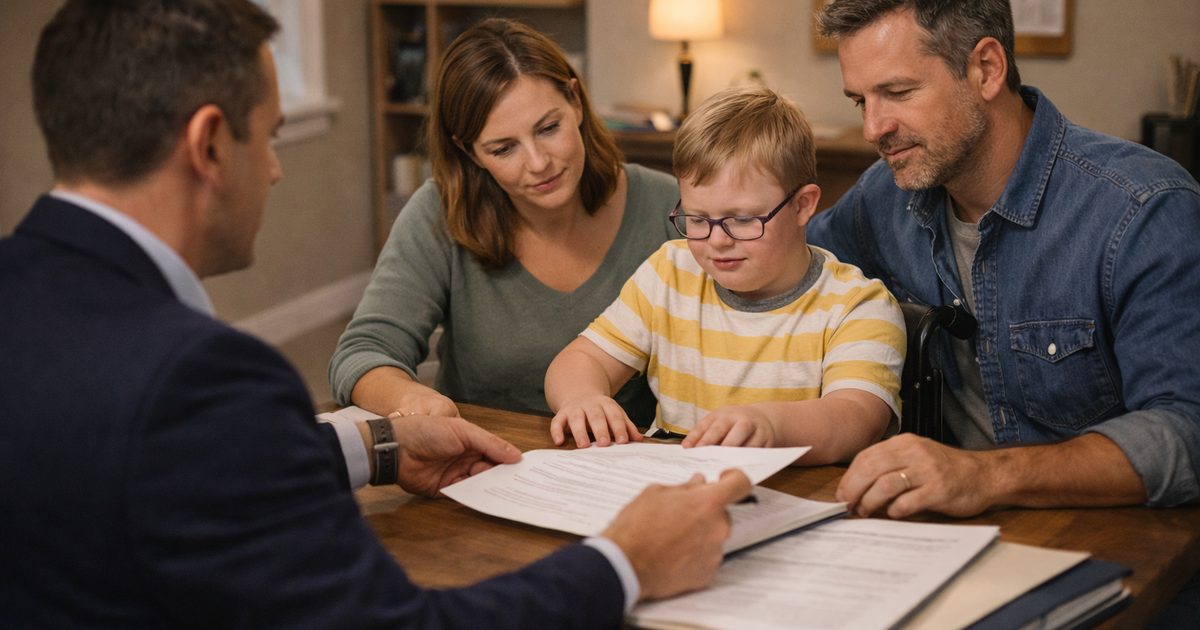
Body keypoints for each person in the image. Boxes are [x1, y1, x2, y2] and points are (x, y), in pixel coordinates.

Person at [0, 2, 753, 627]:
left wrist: (379, 447)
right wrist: (628, 563)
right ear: (207, 145)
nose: (275, 167)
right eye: (267, 136)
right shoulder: (202, 377)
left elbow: (183, 475)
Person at [806, 0, 1200, 521]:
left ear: (986, 69)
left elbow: (1186, 430)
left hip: (1110, 545)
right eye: (861, 101)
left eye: (898, 93)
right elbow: (788, 272)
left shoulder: (1143, 208)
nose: (873, 129)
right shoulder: (884, 196)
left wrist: (983, 475)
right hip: (935, 534)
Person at [329, 18, 678, 424]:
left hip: (629, 466)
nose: (538, 163)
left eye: (548, 128)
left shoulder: (666, 205)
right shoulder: (439, 213)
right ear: (470, 152)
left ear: (576, 101)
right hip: (485, 467)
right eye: (503, 148)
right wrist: (414, 400)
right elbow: (362, 352)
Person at [544, 85, 906, 462]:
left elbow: (855, 419)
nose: (716, 241)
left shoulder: (857, 306)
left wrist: (768, 425)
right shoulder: (670, 272)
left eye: (743, 219)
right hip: (669, 491)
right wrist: (582, 397)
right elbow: (579, 360)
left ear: (803, 206)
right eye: (698, 219)